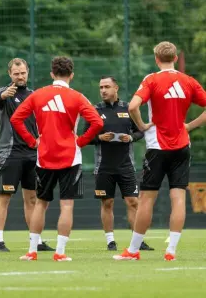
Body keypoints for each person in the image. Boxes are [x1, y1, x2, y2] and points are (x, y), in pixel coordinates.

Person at [113, 41, 206, 261]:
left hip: (157, 147)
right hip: (182, 146)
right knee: (179, 198)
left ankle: (133, 250)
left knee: (146, 199)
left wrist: (143, 125)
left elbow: (133, 106)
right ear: (175, 58)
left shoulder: (152, 80)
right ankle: (171, 251)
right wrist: (190, 126)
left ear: (156, 59)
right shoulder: (189, 81)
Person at [11, 56, 103, 261]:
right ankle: (60, 253)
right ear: (71, 75)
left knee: (41, 203)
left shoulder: (38, 95)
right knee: (67, 205)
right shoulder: (78, 97)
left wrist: (32, 141)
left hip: (44, 157)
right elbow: (97, 122)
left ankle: (32, 251)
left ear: (52, 74)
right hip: (71, 158)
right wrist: (81, 142)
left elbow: (16, 118)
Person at [0, 58, 54, 252]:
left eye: (23, 73)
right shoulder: (4, 93)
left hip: (32, 153)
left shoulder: (35, 95)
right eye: (16, 73)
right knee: (4, 196)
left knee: (33, 198)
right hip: (10, 153)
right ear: (10, 74)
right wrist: (2, 96)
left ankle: (36, 240)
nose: (20, 76)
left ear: (27, 73)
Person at [84, 76, 153, 251]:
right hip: (103, 167)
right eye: (101, 87)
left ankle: (137, 241)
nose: (103, 90)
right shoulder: (94, 110)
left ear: (116, 88)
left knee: (133, 202)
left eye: (107, 86)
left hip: (126, 166)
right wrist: (99, 138)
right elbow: (84, 137)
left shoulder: (128, 108)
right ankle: (110, 241)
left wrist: (130, 137)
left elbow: (141, 131)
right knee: (107, 203)